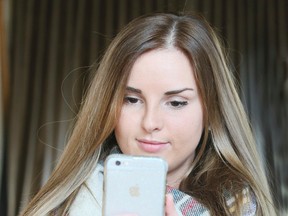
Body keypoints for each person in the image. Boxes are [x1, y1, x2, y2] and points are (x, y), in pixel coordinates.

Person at [21, 12, 276, 215]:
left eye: (176, 103)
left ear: (211, 113)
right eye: (131, 99)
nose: (150, 122)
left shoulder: (242, 206)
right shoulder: (60, 207)